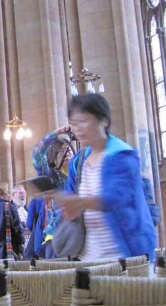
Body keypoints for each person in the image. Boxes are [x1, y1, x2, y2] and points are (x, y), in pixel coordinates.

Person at [54, 94, 157, 261]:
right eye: (73, 124)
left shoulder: (122, 155)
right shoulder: (78, 161)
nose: (78, 128)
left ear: (104, 121)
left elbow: (118, 198)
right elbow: (70, 195)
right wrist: (67, 206)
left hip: (126, 255)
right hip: (89, 256)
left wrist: (80, 202)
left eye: (84, 121)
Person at [26, 127, 76, 259]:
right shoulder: (51, 175)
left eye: (69, 149)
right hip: (55, 234)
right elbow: (37, 153)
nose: (68, 153)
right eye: (62, 151)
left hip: (77, 233)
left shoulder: (78, 175)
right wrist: (56, 133)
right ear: (53, 157)